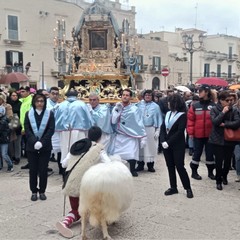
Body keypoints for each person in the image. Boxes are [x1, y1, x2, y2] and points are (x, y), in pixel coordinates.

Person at [56, 126, 112, 238]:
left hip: (71, 184)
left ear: (87, 135)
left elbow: (63, 164)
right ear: (100, 138)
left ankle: (65, 222)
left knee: (75, 209)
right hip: (87, 185)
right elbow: (109, 164)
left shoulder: (77, 146)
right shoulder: (99, 149)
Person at [160, 93, 193, 198]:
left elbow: (180, 131)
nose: (168, 104)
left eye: (170, 102)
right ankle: (173, 187)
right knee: (170, 166)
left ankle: (188, 188)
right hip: (166, 145)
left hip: (177, 145)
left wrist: (168, 142)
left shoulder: (182, 115)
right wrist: (162, 140)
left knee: (179, 166)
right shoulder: (168, 114)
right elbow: (163, 128)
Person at [24, 94, 55, 201]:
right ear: (34, 102)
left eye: (42, 101)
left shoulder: (49, 114)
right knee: (33, 170)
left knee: (43, 170)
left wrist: (42, 142)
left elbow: (51, 130)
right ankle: (33, 191)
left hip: (45, 146)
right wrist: (34, 141)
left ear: (44, 102)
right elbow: (27, 130)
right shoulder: (28, 114)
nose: (40, 103)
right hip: (31, 147)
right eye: (37, 101)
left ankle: (42, 191)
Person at [109, 89, 146, 177]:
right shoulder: (117, 107)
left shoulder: (134, 109)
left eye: (127, 95)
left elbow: (139, 123)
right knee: (118, 154)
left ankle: (132, 170)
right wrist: (118, 110)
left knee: (131, 153)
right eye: (123, 95)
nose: (125, 97)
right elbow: (114, 121)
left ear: (130, 97)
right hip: (120, 134)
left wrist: (143, 137)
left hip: (131, 135)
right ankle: (118, 170)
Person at [209, 91, 240, 190]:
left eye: (231, 100)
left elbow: (237, 123)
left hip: (230, 139)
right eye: (227, 100)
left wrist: (225, 124)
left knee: (227, 161)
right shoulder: (214, 109)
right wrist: (223, 113)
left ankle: (224, 176)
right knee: (218, 161)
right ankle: (218, 181)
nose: (230, 102)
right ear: (221, 101)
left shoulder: (234, 110)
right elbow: (215, 122)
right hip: (217, 139)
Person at [55, 88, 93, 163]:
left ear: (66, 95)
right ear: (77, 95)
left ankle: (64, 168)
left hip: (64, 131)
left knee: (65, 148)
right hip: (79, 130)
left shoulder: (61, 105)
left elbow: (56, 119)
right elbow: (89, 119)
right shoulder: (82, 104)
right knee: (79, 149)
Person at [187, 84, 216, 180]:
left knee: (210, 154)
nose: (198, 93)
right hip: (197, 135)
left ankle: (211, 172)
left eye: (200, 91)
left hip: (210, 135)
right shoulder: (195, 106)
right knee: (197, 153)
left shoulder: (213, 106)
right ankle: (194, 172)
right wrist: (190, 132)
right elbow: (190, 120)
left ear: (206, 92)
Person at [136, 89, 163, 172]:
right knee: (140, 147)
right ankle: (140, 164)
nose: (147, 96)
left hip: (151, 129)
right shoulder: (138, 105)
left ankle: (150, 165)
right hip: (140, 129)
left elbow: (159, 119)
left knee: (151, 148)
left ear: (152, 97)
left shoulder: (156, 106)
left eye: (149, 95)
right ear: (143, 96)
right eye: (146, 95)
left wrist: (157, 130)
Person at [46, 87, 64, 177]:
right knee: (47, 150)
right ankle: (44, 168)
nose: (55, 95)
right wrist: (53, 109)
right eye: (53, 93)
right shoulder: (45, 103)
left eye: (57, 94)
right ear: (49, 94)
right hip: (48, 130)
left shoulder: (60, 104)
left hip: (58, 130)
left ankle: (61, 168)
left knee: (60, 149)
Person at [19, 86, 33, 169]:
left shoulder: (31, 101)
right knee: (27, 147)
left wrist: (24, 128)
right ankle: (29, 162)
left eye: (23, 91)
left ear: (28, 92)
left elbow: (29, 116)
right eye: (21, 91)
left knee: (30, 146)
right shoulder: (23, 101)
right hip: (23, 126)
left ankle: (32, 163)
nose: (21, 93)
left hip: (28, 127)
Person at [7, 91, 22, 165]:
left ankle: (17, 157)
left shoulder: (20, 104)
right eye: (13, 95)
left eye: (16, 95)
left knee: (17, 142)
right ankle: (12, 156)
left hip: (18, 125)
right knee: (10, 142)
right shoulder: (8, 104)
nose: (14, 96)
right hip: (9, 125)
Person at [0, 106, 13, 172]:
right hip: (2, 138)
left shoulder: (4, 120)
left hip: (4, 139)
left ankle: (10, 165)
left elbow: (5, 129)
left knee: (4, 154)